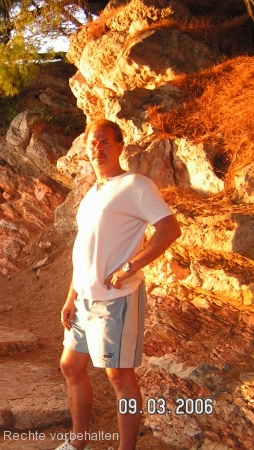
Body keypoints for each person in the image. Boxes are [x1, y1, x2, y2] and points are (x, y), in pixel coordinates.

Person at [58, 119, 181, 450]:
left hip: (117, 299)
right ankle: (77, 442)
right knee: (71, 365)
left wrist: (131, 266)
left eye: (104, 142)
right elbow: (84, 248)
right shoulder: (90, 195)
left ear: (119, 146)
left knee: (119, 376)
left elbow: (169, 229)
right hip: (84, 299)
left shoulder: (135, 185)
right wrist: (71, 296)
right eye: (92, 143)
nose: (97, 148)